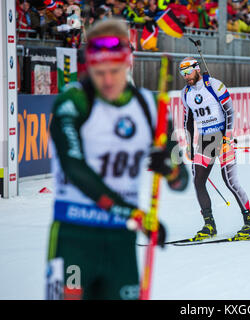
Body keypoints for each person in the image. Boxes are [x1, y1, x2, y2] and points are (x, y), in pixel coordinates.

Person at [47, 18, 188, 300]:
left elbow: (181, 180)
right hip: (75, 236)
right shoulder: (73, 101)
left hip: (121, 242)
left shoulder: (150, 108)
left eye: (115, 70)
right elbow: (75, 169)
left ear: (128, 64)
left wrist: (168, 167)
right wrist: (135, 215)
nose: (108, 80)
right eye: (99, 73)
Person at [180, 57, 250, 241]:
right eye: (182, 73)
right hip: (205, 140)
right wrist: (190, 145)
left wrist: (227, 137)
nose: (186, 76)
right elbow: (188, 121)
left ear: (197, 69)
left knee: (230, 182)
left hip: (221, 136)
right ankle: (209, 225)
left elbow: (230, 111)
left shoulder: (214, 85)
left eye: (188, 72)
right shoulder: (185, 93)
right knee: (198, 181)